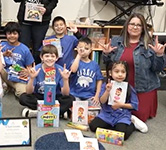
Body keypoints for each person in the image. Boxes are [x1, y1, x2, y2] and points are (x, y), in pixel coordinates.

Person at [101, 13, 166, 122]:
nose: (135, 27)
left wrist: (159, 55)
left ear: (143, 28)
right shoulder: (117, 41)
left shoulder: (149, 44)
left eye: (139, 25)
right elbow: (109, 65)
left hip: (142, 88)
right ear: (127, 26)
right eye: (132, 24)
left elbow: (157, 69)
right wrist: (106, 54)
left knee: (139, 115)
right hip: (119, 86)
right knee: (114, 110)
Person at [89, 61, 148, 140]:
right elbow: (102, 101)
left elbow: (134, 105)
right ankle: (113, 125)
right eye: (116, 71)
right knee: (93, 126)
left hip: (122, 115)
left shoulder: (129, 88)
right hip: (107, 114)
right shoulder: (106, 85)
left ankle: (132, 124)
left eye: (123, 72)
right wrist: (107, 91)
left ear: (126, 73)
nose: (120, 74)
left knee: (123, 135)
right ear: (110, 73)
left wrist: (121, 105)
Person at [19, 44, 74, 118]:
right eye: (47, 56)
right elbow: (29, 92)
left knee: (70, 98)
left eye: (52, 56)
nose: (50, 58)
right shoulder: (36, 69)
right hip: (39, 97)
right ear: (42, 57)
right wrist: (32, 78)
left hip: (55, 97)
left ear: (56, 58)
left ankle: (38, 112)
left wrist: (65, 79)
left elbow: (65, 94)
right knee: (23, 97)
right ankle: (57, 112)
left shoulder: (61, 70)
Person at [1, 22, 34, 98]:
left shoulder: (25, 49)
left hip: (18, 76)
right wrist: (2, 55)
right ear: (6, 34)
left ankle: (10, 86)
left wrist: (27, 71)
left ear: (19, 34)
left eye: (15, 33)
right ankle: (7, 85)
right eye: (9, 33)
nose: (12, 36)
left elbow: (30, 67)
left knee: (23, 94)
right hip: (4, 74)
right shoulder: (2, 45)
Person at [70, 37, 103, 106]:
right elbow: (73, 70)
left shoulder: (95, 65)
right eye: (80, 48)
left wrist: (97, 95)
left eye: (86, 48)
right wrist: (79, 55)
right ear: (77, 48)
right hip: (75, 94)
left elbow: (99, 80)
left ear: (91, 50)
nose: (83, 50)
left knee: (94, 111)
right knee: (77, 112)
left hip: (90, 95)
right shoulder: (74, 62)